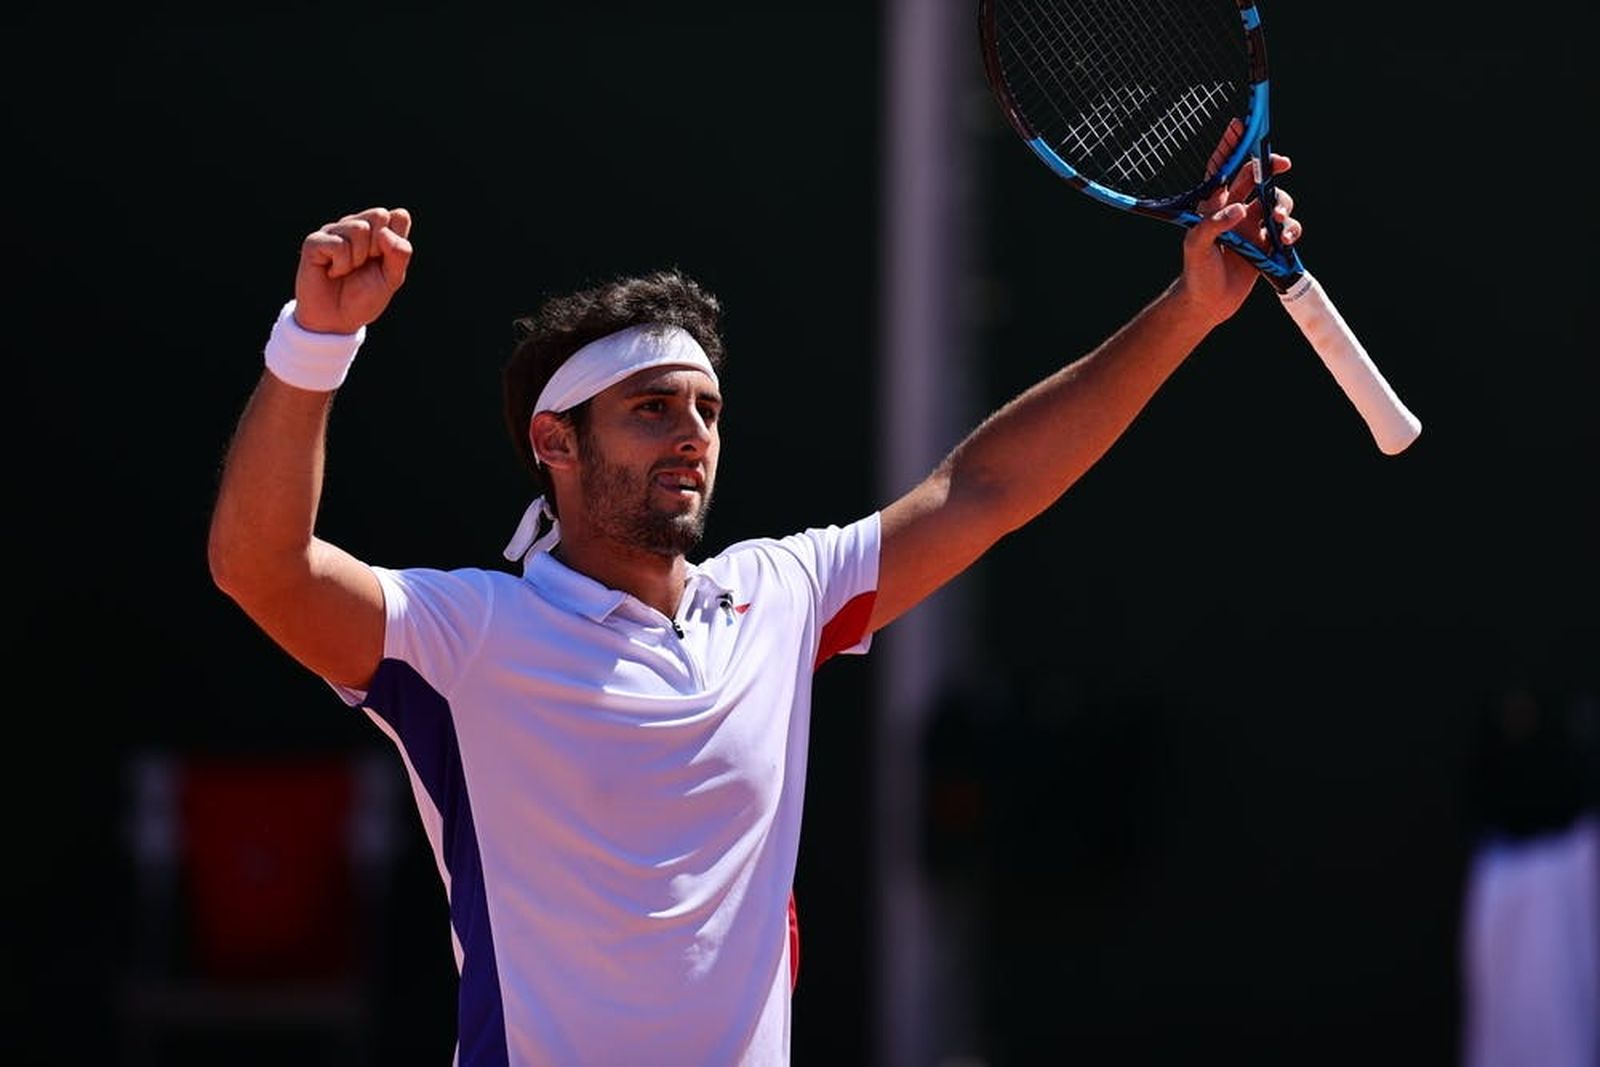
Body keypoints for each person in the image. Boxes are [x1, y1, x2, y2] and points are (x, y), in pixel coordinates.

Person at [207, 153, 1304, 1065]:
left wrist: (1189, 309)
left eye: (706, 410)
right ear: (555, 443)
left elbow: (984, 489)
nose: (691, 435)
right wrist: (316, 340)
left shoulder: (781, 594)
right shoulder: (463, 638)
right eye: (650, 409)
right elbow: (261, 566)